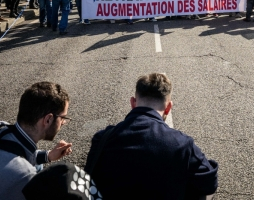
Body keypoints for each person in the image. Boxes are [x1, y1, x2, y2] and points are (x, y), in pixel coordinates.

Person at [85, 73, 218, 198]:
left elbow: (88, 181)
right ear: (168, 108)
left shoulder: (102, 138)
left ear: (133, 103)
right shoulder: (182, 144)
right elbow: (210, 184)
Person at [0, 82, 73, 200]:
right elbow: (19, 166)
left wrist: (48, 156)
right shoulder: (25, 176)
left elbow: (17, 154)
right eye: (63, 118)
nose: (63, 123)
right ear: (48, 119)